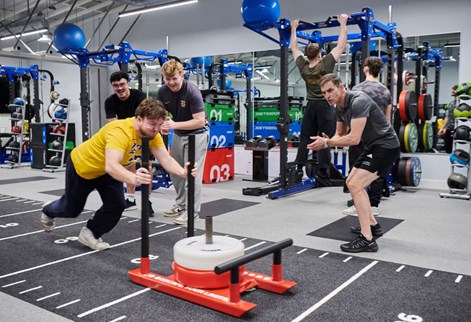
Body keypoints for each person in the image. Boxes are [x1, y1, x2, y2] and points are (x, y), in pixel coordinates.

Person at [41, 98, 196, 251]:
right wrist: (134, 178)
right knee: (72, 209)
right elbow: (111, 165)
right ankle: (48, 209)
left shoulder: (152, 135)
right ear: (139, 119)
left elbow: (166, 159)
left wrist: (183, 172)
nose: (156, 129)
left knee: (116, 205)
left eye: (160, 125)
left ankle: (90, 233)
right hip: (83, 167)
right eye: (152, 124)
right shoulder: (120, 131)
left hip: (108, 172)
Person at [307, 74, 400, 253]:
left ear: (341, 87)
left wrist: (327, 143)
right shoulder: (339, 108)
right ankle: (373, 226)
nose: (327, 96)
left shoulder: (358, 101)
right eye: (324, 93)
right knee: (351, 182)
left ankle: (367, 240)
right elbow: (339, 135)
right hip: (373, 145)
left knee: (356, 185)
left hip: (386, 146)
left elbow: (354, 138)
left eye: (330, 90)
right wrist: (327, 140)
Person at [290, 14, 348, 180]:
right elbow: (341, 45)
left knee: (305, 138)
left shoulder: (304, 66)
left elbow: (294, 48)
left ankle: (299, 167)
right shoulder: (325, 64)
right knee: (325, 138)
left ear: (307, 55)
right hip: (324, 105)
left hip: (310, 105)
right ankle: (323, 171)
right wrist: (343, 23)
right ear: (321, 53)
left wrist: (293, 29)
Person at [157, 60, 208, 225]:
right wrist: (163, 124)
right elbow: (163, 112)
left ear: (182, 75)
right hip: (178, 134)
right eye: (167, 79)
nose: (171, 82)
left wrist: (173, 125)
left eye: (174, 79)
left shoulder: (192, 92)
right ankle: (181, 205)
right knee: (176, 171)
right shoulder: (163, 91)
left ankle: (192, 212)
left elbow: (200, 121)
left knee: (192, 174)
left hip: (197, 135)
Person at [343, 57, 393, 221]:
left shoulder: (357, 89)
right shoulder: (386, 92)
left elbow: (350, 116)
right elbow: (387, 121)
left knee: (357, 171)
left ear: (365, 69)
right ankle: (374, 206)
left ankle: (359, 205)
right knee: (375, 172)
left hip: (360, 138)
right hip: (379, 138)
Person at [105, 71, 147, 212]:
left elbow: (144, 119)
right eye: (116, 85)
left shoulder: (140, 97)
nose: (120, 88)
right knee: (128, 163)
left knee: (147, 163)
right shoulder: (110, 101)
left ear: (128, 83)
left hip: (142, 132)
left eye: (122, 84)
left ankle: (147, 201)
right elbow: (113, 124)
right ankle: (130, 198)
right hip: (124, 134)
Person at [438, 85, 459, 154]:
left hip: (458, 130)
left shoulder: (462, 103)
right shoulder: (451, 103)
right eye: (452, 89)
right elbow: (447, 116)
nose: (452, 91)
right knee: (448, 149)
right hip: (449, 129)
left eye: (454, 89)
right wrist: (442, 128)